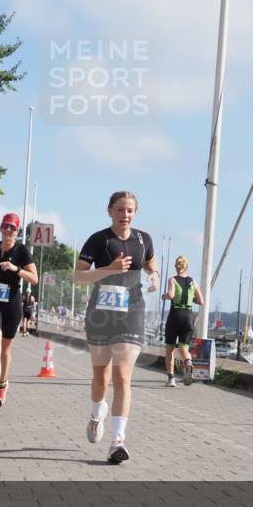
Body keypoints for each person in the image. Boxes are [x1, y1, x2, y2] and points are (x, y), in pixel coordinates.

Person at [73, 191, 159, 464]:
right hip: (101, 314)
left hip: (131, 312)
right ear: (110, 211)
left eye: (130, 210)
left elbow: (151, 265)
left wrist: (154, 276)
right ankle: (97, 414)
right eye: (120, 210)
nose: (126, 215)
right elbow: (78, 278)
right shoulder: (98, 240)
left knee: (122, 376)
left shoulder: (144, 239)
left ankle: (117, 440)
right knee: (102, 377)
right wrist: (109, 269)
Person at [0, 213, 38, 412]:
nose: (8, 230)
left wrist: (16, 269)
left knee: (6, 349)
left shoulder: (22, 250)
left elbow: (34, 278)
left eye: (12, 228)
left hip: (13, 302)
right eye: (6, 226)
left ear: (17, 231)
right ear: (0, 227)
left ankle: (4, 383)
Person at [162, 255, 204, 387]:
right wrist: (190, 299)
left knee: (170, 349)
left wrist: (164, 296)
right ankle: (188, 364)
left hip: (176, 316)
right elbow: (201, 301)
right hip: (188, 317)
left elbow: (171, 295)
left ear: (176, 266)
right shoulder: (193, 282)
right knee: (184, 348)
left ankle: (171, 379)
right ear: (186, 267)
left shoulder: (172, 280)